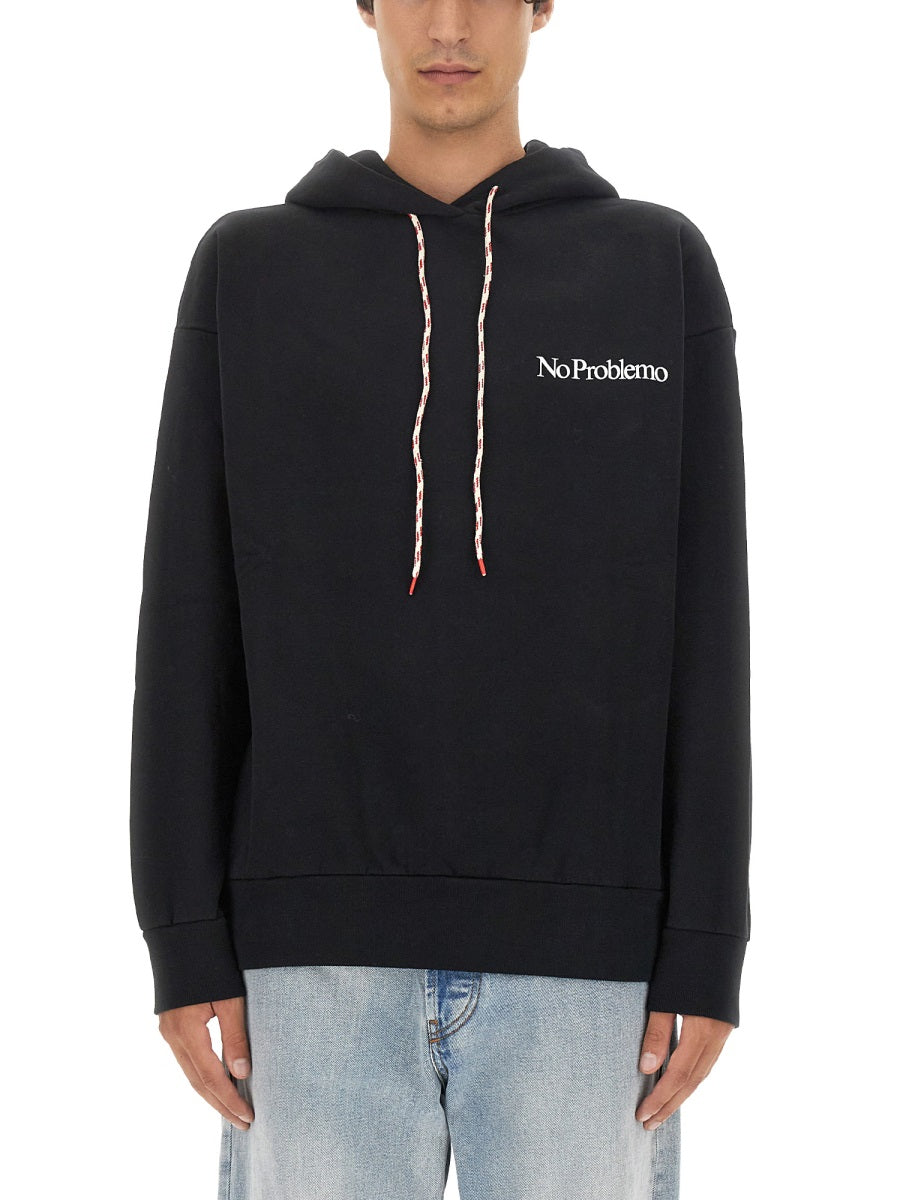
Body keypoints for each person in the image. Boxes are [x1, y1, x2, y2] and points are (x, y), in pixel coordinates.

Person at [129, 1, 752, 1196]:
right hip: (308, 966)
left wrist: (707, 945)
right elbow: (188, 621)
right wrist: (183, 935)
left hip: (592, 971)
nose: (450, 24)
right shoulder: (250, 269)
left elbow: (709, 627)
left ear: (541, 7)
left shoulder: (655, 265)